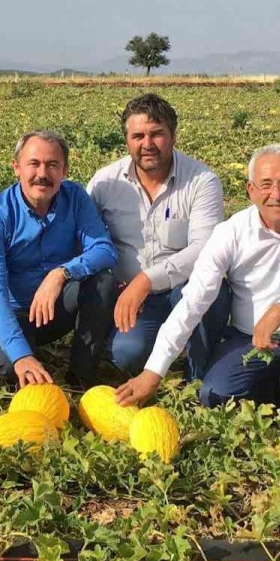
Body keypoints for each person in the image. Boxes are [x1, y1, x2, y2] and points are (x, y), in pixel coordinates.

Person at [122, 144, 280, 412]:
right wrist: (153, 372)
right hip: (250, 340)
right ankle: (271, 380)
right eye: (266, 185)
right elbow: (193, 301)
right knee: (215, 394)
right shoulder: (231, 232)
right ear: (250, 191)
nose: (276, 195)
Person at [87, 93, 229, 386]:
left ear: (173, 136)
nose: (147, 144)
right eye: (138, 136)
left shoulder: (201, 181)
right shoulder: (104, 183)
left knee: (212, 289)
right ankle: (157, 350)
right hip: (132, 296)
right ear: (126, 140)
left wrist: (146, 280)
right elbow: (88, 241)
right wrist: (121, 286)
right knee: (126, 354)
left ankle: (196, 376)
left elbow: (205, 249)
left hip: (185, 289)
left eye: (157, 134)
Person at [0, 130, 119, 388]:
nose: (42, 174)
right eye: (34, 163)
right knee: (9, 368)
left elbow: (104, 250)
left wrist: (61, 273)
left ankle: (81, 376)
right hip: (12, 311)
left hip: (54, 309)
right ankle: (21, 349)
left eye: (52, 165)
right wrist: (21, 355)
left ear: (64, 170)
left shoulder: (74, 197)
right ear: (17, 168)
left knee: (103, 282)